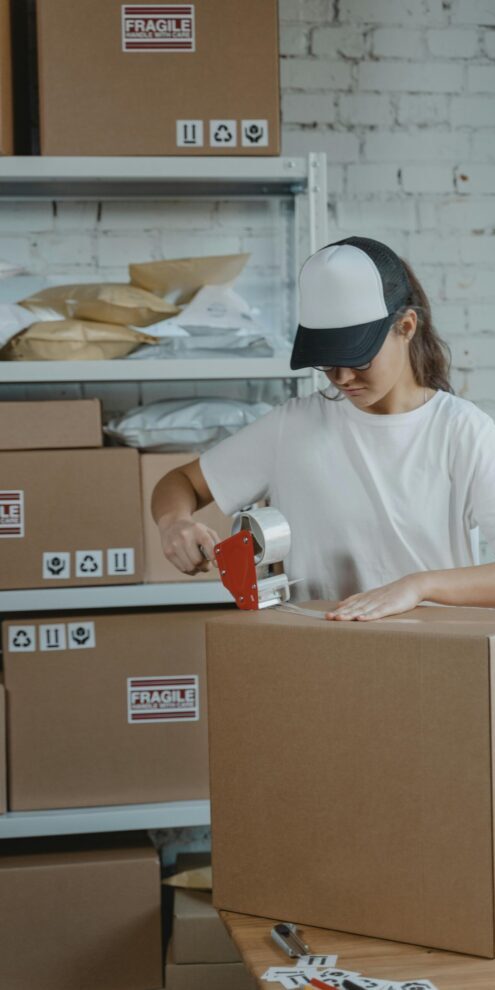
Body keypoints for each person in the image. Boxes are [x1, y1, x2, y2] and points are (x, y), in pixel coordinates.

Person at [151, 235, 495, 621]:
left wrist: (418, 586)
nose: (343, 377)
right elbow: (181, 482)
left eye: (358, 357)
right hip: (320, 651)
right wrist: (174, 521)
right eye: (328, 361)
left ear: (407, 326)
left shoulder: (463, 433)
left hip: (434, 656)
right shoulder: (292, 428)